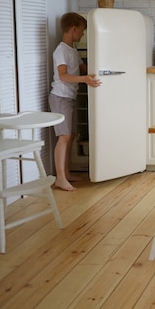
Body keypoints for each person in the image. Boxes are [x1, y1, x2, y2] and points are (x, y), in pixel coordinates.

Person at [49, 12, 101, 191]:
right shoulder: (61, 50)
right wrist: (85, 79)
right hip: (60, 97)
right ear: (73, 29)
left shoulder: (72, 50)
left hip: (69, 97)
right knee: (63, 137)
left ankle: (66, 172)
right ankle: (60, 178)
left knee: (70, 136)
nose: (83, 35)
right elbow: (63, 76)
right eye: (82, 31)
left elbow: (83, 68)